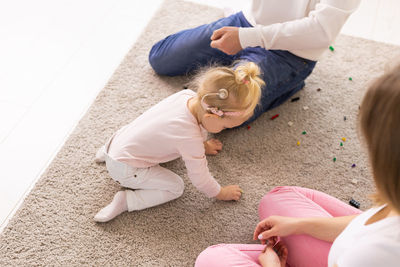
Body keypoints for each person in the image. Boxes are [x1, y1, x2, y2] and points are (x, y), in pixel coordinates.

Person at [195, 64, 400, 267]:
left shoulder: (375, 253)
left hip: (353, 256)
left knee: (211, 259)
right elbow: (364, 224)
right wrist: (297, 225)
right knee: (277, 198)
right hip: (355, 246)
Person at [93, 62, 264, 222]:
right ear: (212, 116)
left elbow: (196, 125)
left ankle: (106, 154)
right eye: (225, 126)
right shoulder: (189, 138)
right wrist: (220, 193)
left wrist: (204, 146)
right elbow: (200, 179)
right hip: (124, 169)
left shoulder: (186, 96)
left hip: (116, 142)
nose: (225, 129)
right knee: (175, 187)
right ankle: (127, 201)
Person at [149, 0, 361, 124]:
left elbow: (321, 31)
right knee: (160, 58)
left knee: (216, 115)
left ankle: (291, 82)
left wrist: (246, 38)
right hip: (245, 22)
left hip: (290, 52)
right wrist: (243, 31)